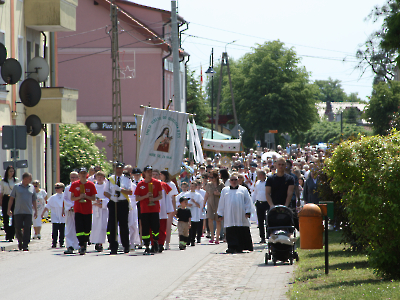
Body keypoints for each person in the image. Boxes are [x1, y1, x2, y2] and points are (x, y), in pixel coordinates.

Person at [217, 173, 253, 254]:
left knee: (241, 230)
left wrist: (248, 211)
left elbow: (248, 201)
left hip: (241, 214)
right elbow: (221, 202)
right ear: (229, 181)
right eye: (232, 180)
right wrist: (220, 213)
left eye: (235, 180)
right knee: (230, 231)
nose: (233, 181)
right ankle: (232, 247)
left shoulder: (243, 189)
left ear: (238, 180)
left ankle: (240, 247)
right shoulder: (225, 190)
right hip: (229, 214)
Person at [104, 162, 132, 254]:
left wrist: (120, 189)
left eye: (120, 168)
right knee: (113, 226)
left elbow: (130, 192)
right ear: (114, 169)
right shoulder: (110, 179)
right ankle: (113, 247)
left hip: (123, 203)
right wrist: (111, 197)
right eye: (117, 168)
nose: (119, 170)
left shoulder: (126, 179)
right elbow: (105, 192)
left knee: (124, 225)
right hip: (113, 203)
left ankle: (126, 246)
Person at [134, 166, 163, 255]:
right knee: (145, 228)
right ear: (144, 173)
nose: (150, 173)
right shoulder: (140, 184)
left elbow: (160, 196)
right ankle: (146, 245)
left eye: (151, 171)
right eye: (148, 172)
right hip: (144, 210)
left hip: (154, 209)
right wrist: (146, 196)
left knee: (155, 227)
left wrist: (153, 199)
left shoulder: (157, 183)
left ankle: (155, 242)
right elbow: (136, 198)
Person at [69, 167, 97, 255]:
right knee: (79, 228)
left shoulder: (91, 184)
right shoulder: (75, 184)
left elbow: (93, 198)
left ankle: (85, 242)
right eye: (81, 173)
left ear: (87, 174)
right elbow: (72, 197)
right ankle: (81, 245)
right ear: (79, 175)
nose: (83, 175)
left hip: (88, 210)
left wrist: (86, 197)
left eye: (84, 173)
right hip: (78, 209)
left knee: (87, 228)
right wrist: (79, 198)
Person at [8, 172, 37, 251]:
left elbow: (34, 199)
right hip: (18, 211)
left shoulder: (32, 187)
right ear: (25, 179)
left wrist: (36, 210)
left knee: (27, 228)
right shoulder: (16, 187)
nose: (31, 180)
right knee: (18, 228)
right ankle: (20, 242)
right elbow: (11, 198)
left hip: (28, 212)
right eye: (29, 179)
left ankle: (25, 245)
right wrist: (9, 209)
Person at [203, 170, 225, 244]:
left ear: (216, 177)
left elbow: (224, 195)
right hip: (210, 203)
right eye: (210, 177)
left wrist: (218, 193)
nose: (210, 179)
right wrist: (203, 204)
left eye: (212, 177)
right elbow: (206, 195)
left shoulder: (221, 184)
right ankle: (212, 236)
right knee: (210, 219)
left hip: (219, 204)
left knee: (218, 220)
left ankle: (217, 237)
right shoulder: (208, 185)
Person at [42, 183, 66, 248]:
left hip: (62, 215)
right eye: (55, 188)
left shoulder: (65, 196)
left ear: (62, 189)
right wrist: (43, 213)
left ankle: (61, 242)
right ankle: (54, 243)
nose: (56, 189)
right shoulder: (53, 197)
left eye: (57, 188)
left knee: (62, 230)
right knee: (55, 230)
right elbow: (47, 205)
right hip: (55, 215)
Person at [91, 171, 109, 252]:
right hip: (95, 209)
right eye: (98, 177)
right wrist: (95, 202)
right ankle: (97, 242)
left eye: (101, 177)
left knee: (103, 226)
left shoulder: (106, 187)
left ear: (104, 178)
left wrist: (102, 202)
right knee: (96, 226)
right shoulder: (93, 186)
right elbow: (90, 197)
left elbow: (109, 198)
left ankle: (102, 242)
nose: (100, 179)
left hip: (104, 209)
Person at [160, 170, 178, 251]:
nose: (160, 176)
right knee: (161, 226)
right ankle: (160, 242)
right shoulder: (159, 183)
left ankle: (167, 243)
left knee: (168, 226)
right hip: (161, 207)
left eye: (161, 175)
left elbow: (173, 197)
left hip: (169, 206)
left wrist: (174, 209)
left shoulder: (171, 184)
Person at [63, 171, 80, 254]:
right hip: (70, 210)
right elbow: (65, 199)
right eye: (72, 177)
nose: (73, 179)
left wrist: (76, 205)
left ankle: (79, 245)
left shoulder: (80, 186)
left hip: (79, 209)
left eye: (75, 177)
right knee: (69, 228)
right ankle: (70, 245)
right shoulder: (67, 188)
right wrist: (71, 206)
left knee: (79, 228)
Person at [0, 165, 18, 242]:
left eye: (13, 171)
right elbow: (1, 192)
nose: (11, 173)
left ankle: (12, 234)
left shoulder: (16, 180)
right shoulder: (3, 181)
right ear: (7, 172)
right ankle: (7, 233)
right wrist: (1, 201)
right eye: (10, 171)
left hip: (14, 199)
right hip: (6, 198)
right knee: (6, 217)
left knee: (14, 217)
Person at [252, 170, 269, 243]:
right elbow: (255, 193)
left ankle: (269, 235)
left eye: (258, 175)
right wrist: (253, 201)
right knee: (260, 221)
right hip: (259, 203)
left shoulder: (268, 182)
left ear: (262, 175)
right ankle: (262, 237)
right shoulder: (257, 183)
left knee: (268, 220)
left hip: (267, 203)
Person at [186, 181, 203, 246]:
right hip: (189, 211)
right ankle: (188, 240)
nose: (191, 187)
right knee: (189, 227)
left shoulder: (198, 195)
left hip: (195, 211)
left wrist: (195, 202)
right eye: (191, 186)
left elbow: (200, 205)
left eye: (193, 186)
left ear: (196, 187)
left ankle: (193, 240)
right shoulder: (187, 194)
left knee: (194, 227)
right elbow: (182, 202)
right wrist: (187, 204)